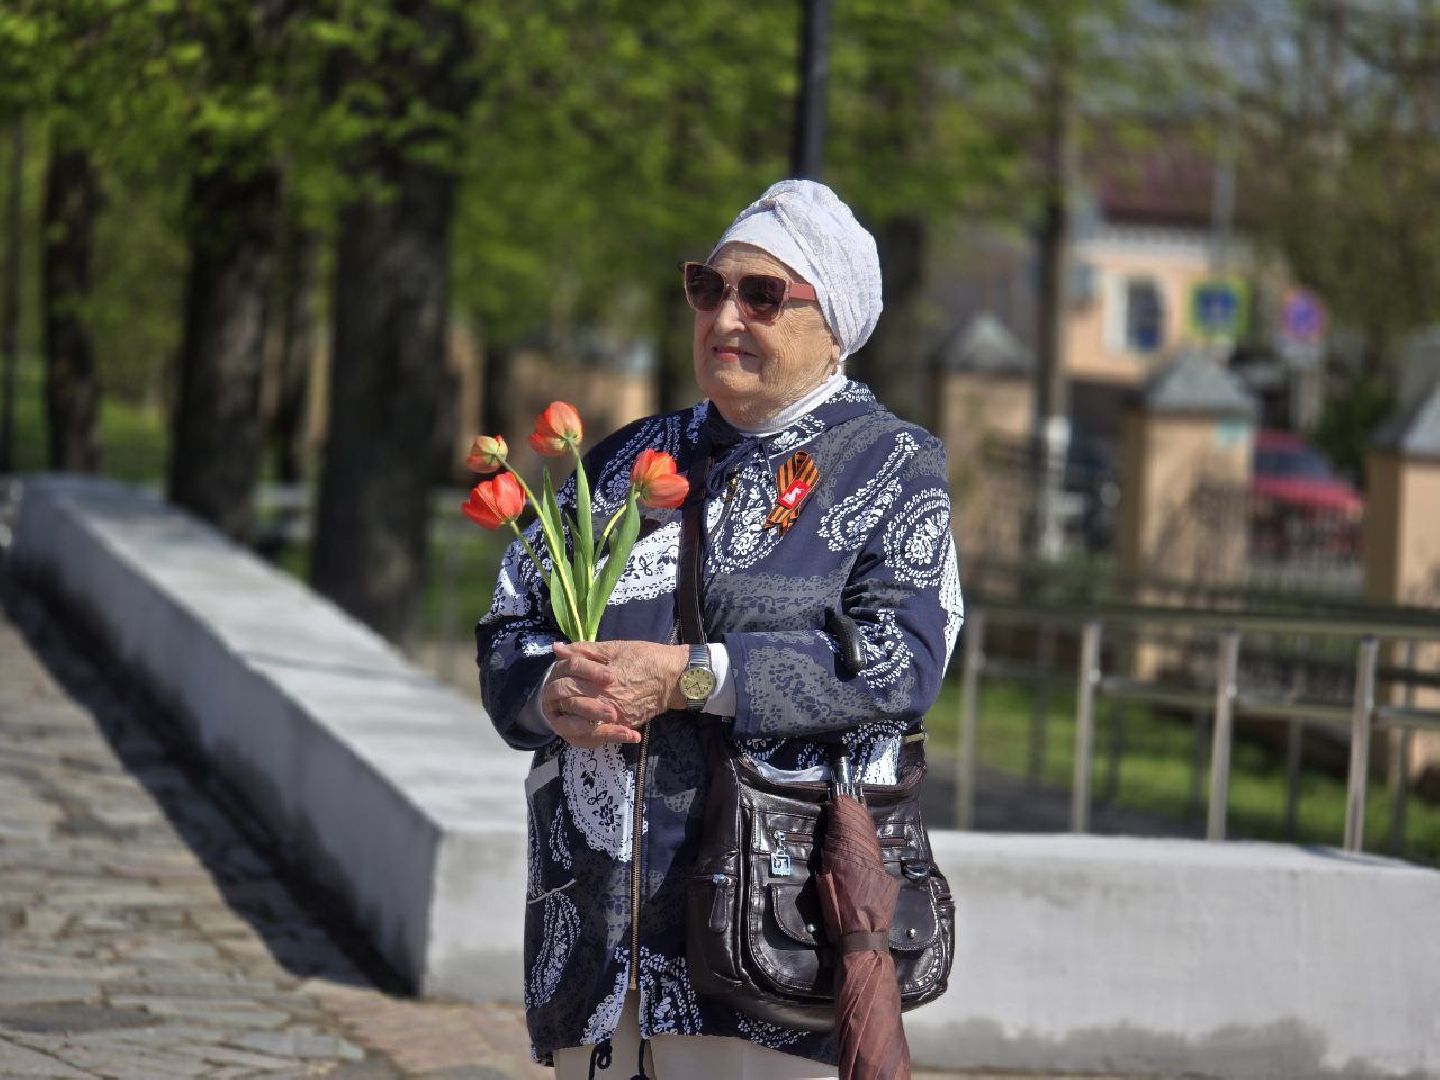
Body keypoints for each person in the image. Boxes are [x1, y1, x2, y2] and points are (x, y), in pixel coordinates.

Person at [474, 179, 963, 1078]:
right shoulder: (627, 460)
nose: (726, 315)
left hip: (767, 940)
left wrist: (691, 675)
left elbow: (901, 661)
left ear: (836, 328)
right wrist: (549, 690)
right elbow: (511, 618)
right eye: (710, 288)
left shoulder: (891, 468)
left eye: (763, 295)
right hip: (599, 943)